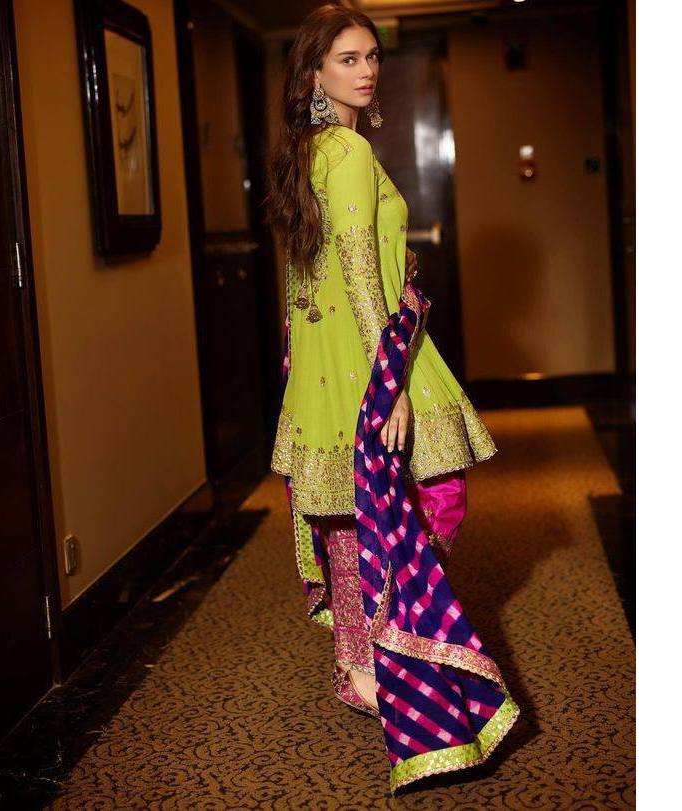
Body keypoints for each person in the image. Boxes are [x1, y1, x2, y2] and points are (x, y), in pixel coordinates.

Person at [265, 4, 520, 794]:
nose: (366, 70)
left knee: (350, 517)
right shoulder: (343, 150)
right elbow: (351, 263)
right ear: (314, 74)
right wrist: (391, 376)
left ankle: (361, 660)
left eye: (371, 56)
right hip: (362, 357)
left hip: (325, 360)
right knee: (428, 500)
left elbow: (299, 273)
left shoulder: (309, 149)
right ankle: (389, 655)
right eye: (347, 59)